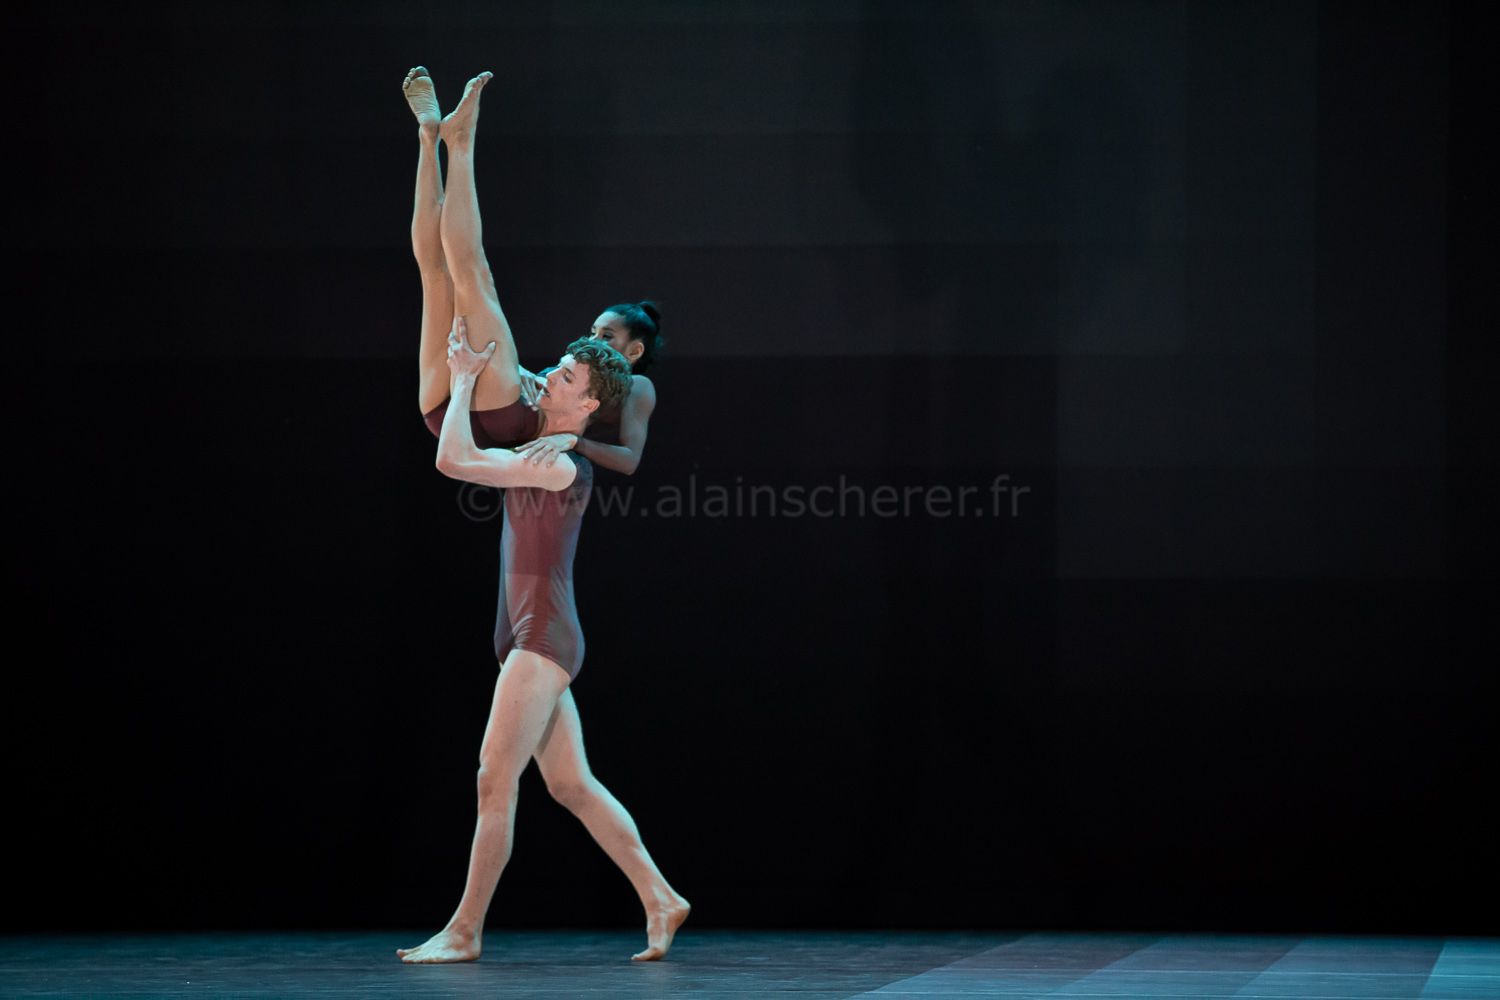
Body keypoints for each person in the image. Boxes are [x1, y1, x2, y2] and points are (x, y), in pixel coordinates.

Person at [396, 67, 691, 964]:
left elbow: (453, 461)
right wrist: (469, 379)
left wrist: (461, 383)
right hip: (530, 629)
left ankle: (464, 931)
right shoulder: (544, 430)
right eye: (557, 366)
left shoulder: (559, 460)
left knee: (496, 779)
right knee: (570, 783)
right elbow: (478, 440)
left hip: (542, 638)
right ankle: (662, 897)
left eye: (562, 375)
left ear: (584, 403)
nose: (549, 371)